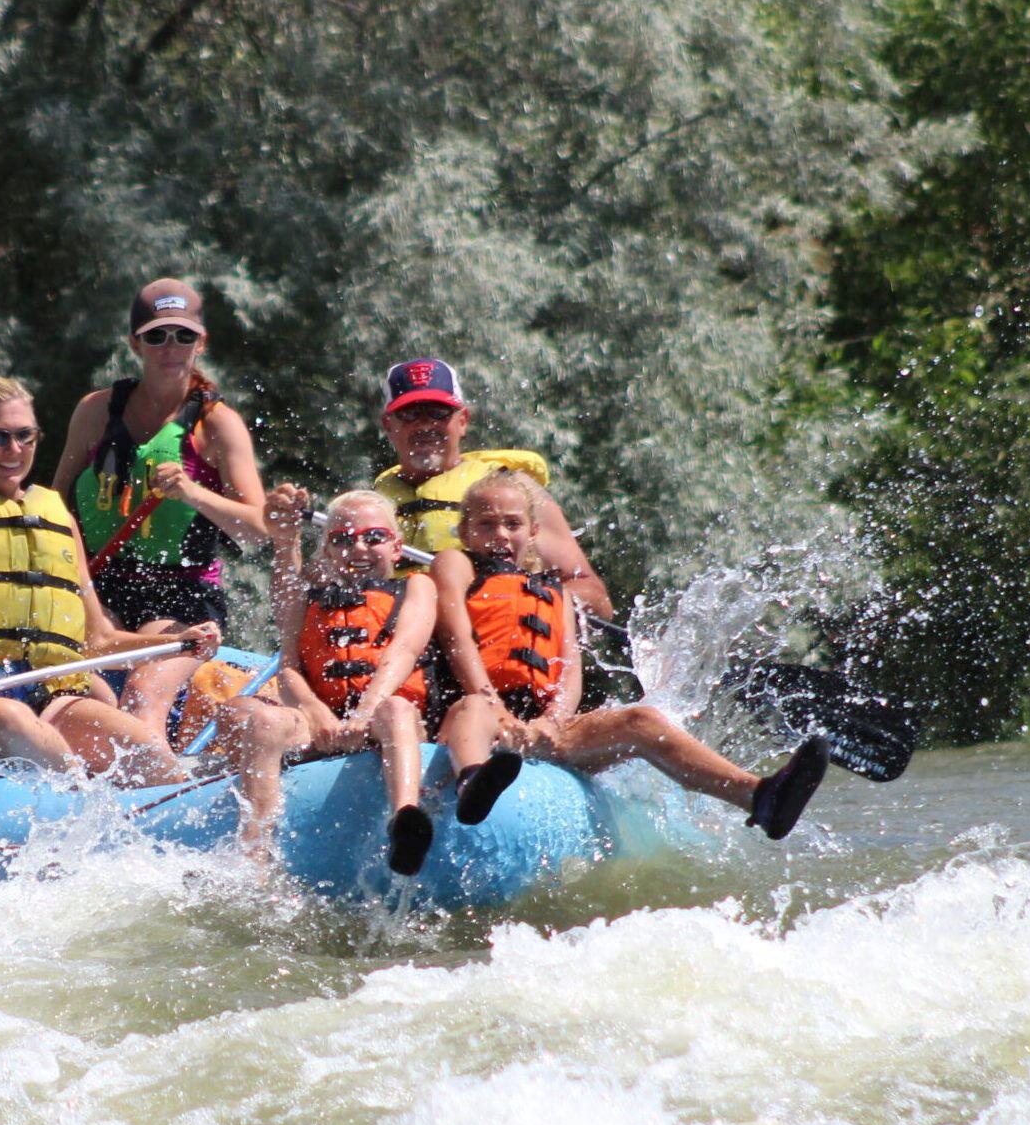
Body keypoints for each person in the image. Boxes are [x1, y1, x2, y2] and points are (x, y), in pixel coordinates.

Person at [432, 471, 828, 837]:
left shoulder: (556, 593)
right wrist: (492, 703)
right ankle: (472, 782)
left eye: (512, 524)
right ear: (466, 531)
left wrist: (554, 720)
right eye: (486, 524)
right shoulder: (456, 563)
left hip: (539, 730)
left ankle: (759, 796)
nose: (500, 534)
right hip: (477, 715)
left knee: (641, 720)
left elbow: (569, 670)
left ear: (533, 531)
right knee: (473, 708)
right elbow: (456, 637)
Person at [0, 377, 219, 782]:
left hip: (49, 699)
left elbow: (99, 640)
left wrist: (181, 643)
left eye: (24, 436)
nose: (13, 450)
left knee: (145, 754)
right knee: (15, 720)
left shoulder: (60, 520)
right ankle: (80, 813)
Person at [52, 278, 267, 736]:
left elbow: (256, 530)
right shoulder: (95, 411)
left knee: (141, 696)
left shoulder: (217, 425)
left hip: (181, 596)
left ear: (201, 343)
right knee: (81, 693)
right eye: (157, 335)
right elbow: (55, 504)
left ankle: (154, 786)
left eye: (183, 335)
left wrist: (193, 493)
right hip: (98, 589)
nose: (171, 347)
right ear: (136, 343)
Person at [214, 486, 436, 873]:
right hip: (320, 726)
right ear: (328, 551)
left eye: (374, 537)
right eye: (342, 540)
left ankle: (405, 819)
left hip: (385, 721)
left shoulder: (418, 586)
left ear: (397, 547)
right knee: (267, 721)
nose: (360, 548)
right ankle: (255, 856)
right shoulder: (310, 596)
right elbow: (289, 668)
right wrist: (317, 713)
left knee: (397, 708)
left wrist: (364, 713)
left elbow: (404, 651)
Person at [373, 358, 613, 618]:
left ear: (462, 420)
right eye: (410, 414)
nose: (425, 425)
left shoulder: (514, 491)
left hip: (493, 637)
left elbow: (595, 598)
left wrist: (526, 599)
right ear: (388, 425)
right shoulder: (371, 506)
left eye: (438, 412)